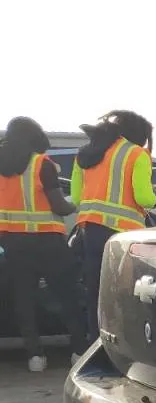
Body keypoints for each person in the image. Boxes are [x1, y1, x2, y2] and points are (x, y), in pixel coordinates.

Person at [0, 116, 88, 372]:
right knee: (66, 295)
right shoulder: (42, 164)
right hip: (48, 242)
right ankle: (78, 351)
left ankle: (35, 357)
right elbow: (59, 206)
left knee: (23, 299)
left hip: (13, 243)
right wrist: (76, 202)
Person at [70, 110, 156, 344]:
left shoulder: (86, 154)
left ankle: (94, 343)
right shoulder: (136, 153)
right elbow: (144, 198)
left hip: (89, 231)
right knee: (123, 292)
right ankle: (122, 345)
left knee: (95, 290)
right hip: (123, 235)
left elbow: (76, 198)